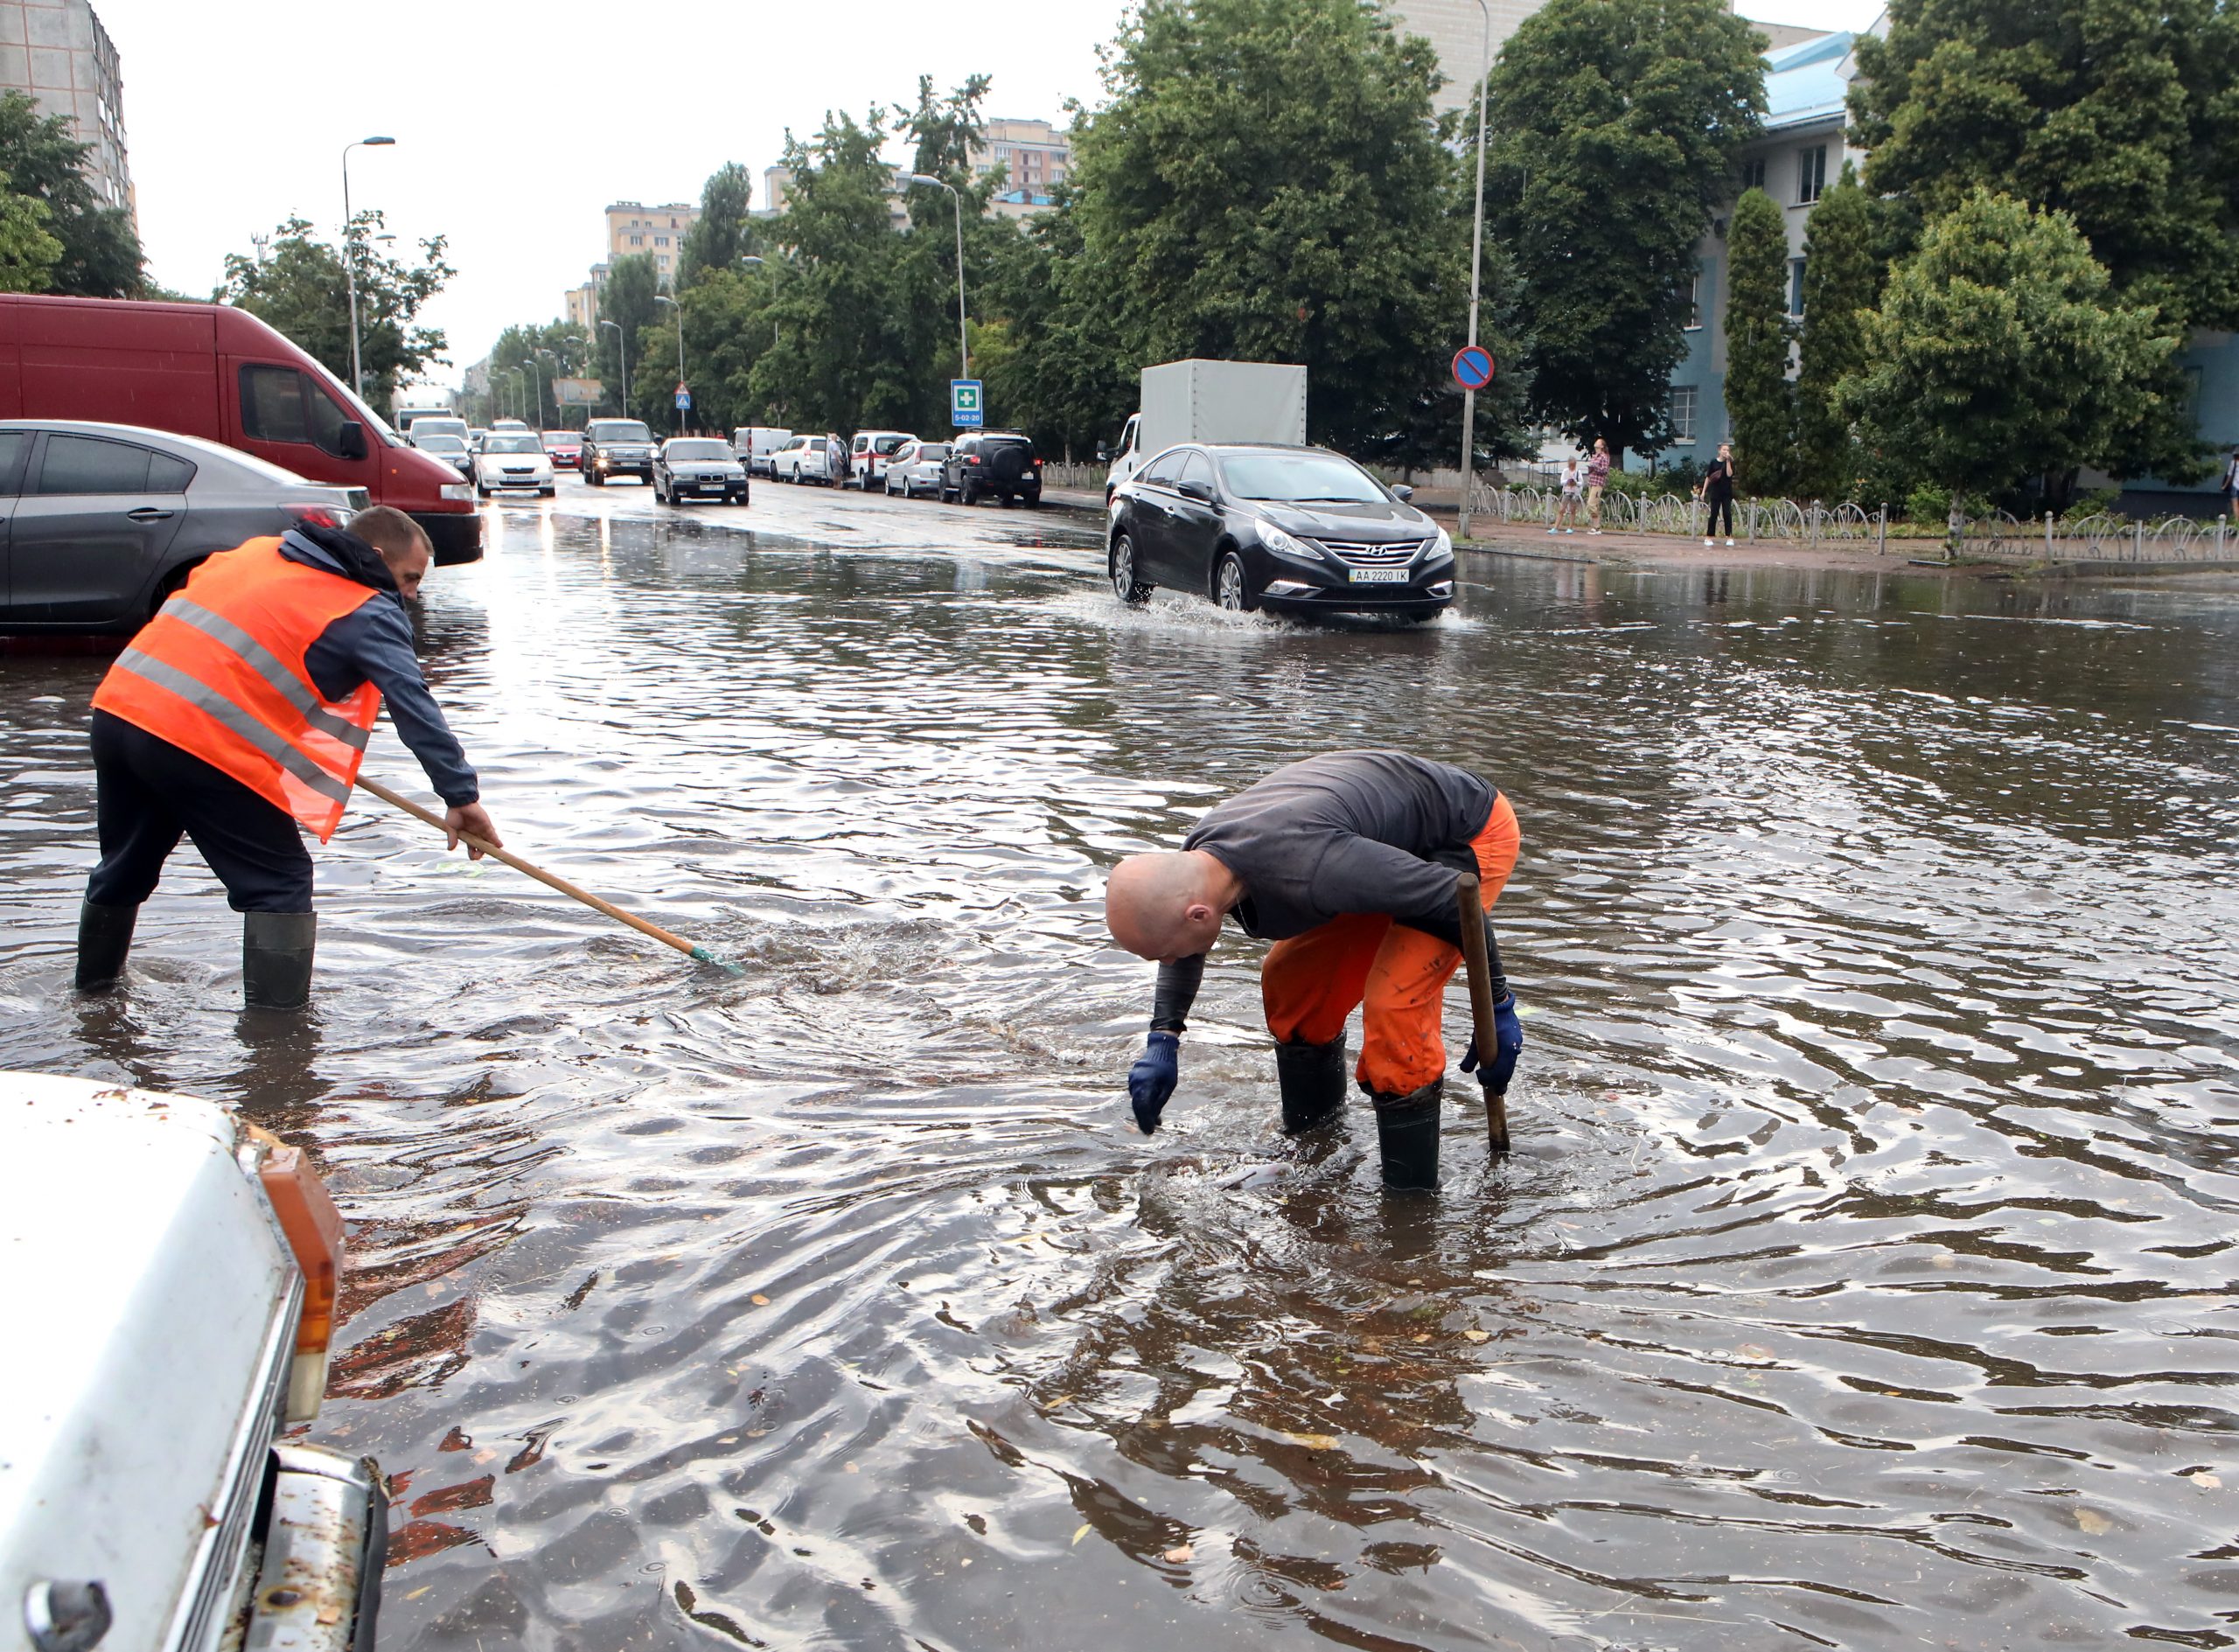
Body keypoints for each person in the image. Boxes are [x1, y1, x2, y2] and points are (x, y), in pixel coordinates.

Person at [75, 507, 500, 1010]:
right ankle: (279, 1045)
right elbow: (415, 705)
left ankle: (91, 1003)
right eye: (409, 579)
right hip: (198, 740)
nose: (411, 594)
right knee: (280, 886)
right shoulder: (365, 608)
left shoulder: (257, 553)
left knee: (125, 868)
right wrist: (461, 796)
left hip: (119, 713)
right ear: (376, 556)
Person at [1105, 750, 1524, 1192]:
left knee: (1394, 1010)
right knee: (1293, 984)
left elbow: (1451, 900)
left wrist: (1497, 1004)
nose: (1172, 964)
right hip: (1370, 854)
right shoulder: (1198, 862)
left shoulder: (1309, 867)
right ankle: (1316, 1149)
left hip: (1464, 835)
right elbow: (1185, 944)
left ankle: (1411, 1209)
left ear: (1197, 915)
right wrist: (1163, 1035)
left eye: (1166, 955)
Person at [1699, 443, 1736, 546]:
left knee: (1727, 514)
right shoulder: (1713, 462)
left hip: (1727, 492)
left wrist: (1728, 461)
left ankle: (1729, 537)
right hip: (1715, 492)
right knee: (1714, 514)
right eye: (1724, 450)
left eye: (1727, 450)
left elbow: (1729, 474)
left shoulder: (1730, 462)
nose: (1726, 452)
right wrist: (1703, 492)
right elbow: (1708, 477)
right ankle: (1709, 537)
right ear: (1719, 451)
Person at [1585, 437, 1612, 534]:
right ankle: (1595, 527)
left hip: (1598, 483)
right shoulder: (1595, 456)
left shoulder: (1604, 457)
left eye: (1598, 442)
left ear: (1602, 446)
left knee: (1591, 504)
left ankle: (1597, 527)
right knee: (1594, 505)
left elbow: (1605, 470)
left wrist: (1595, 467)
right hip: (1592, 481)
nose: (1596, 442)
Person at [1552, 459, 1581, 534]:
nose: (1571, 467)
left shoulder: (1578, 472)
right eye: (1570, 465)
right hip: (1566, 492)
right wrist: (1567, 481)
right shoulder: (1565, 471)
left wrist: (1576, 483)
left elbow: (1581, 483)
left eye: (1573, 465)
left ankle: (1570, 527)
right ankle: (1555, 527)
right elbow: (1562, 481)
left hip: (1574, 493)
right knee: (1562, 509)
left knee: (1573, 510)